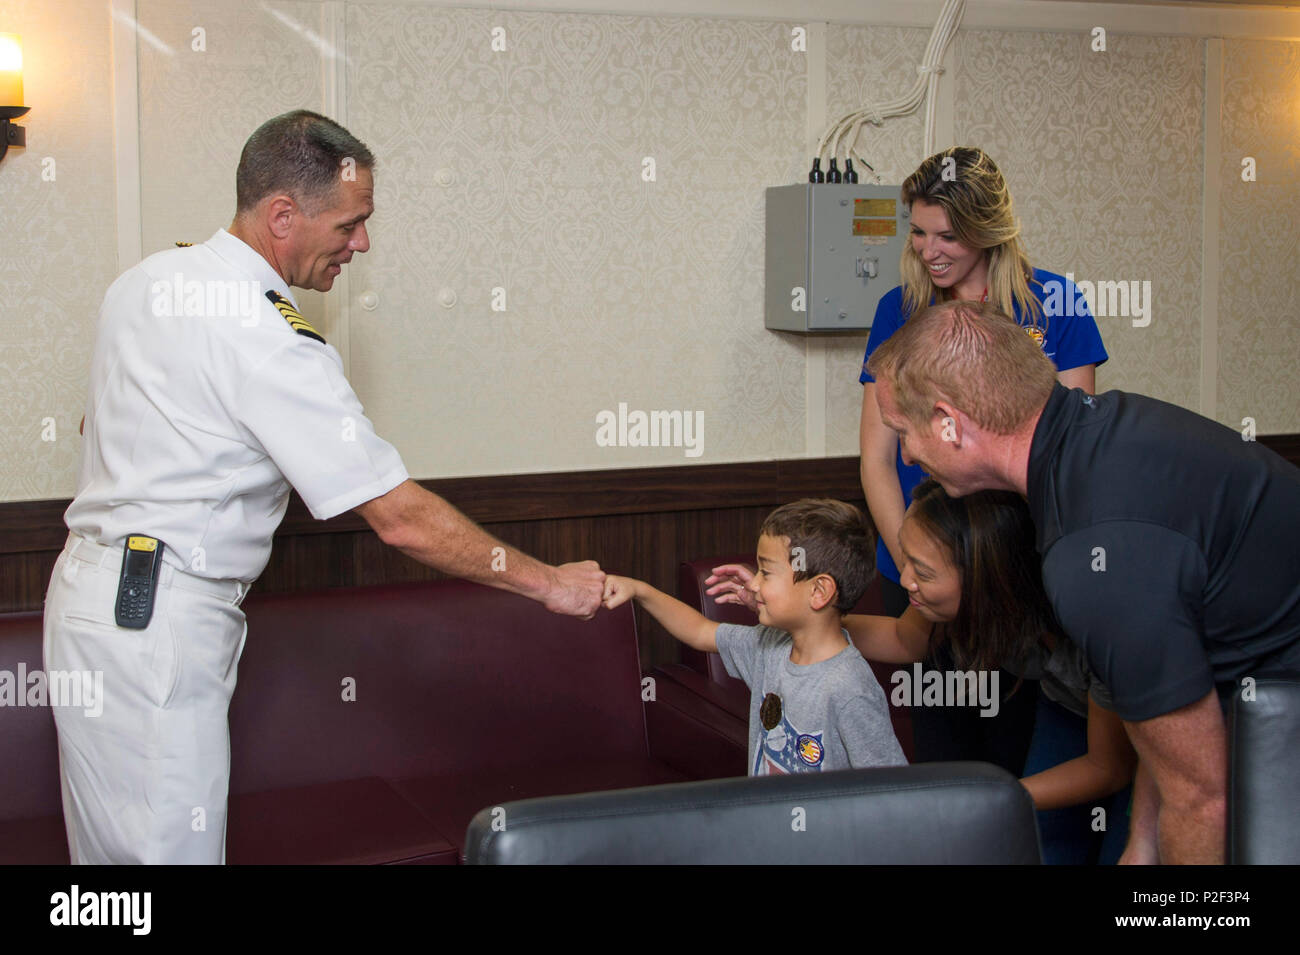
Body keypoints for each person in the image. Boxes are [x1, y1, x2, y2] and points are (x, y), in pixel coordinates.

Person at [44, 110, 605, 865]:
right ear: (282, 215)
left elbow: (96, 427)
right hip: (158, 619)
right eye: (351, 223)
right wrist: (551, 584)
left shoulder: (146, 284)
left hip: (87, 600)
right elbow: (399, 517)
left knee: (110, 870)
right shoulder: (267, 336)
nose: (362, 243)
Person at [867, 298, 1300, 864]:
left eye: (903, 431)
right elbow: (1168, 716)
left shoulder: (1094, 550)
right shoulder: (1098, 433)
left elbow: (1201, 798)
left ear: (949, 424)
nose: (904, 453)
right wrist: (1140, 853)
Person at [708, 480, 1137, 864]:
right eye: (905, 561)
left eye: (923, 571)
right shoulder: (943, 601)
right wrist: (793, 613)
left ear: (984, 577)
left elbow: (1108, 766)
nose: (906, 581)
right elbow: (905, 640)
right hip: (1066, 703)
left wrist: (987, 796)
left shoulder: (1092, 624)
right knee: (1043, 844)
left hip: (1149, 716)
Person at [858, 146, 1109, 770]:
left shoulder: (1055, 302)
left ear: (989, 231)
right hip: (922, 578)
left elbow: (1066, 455)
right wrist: (918, 567)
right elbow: (877, 461)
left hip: (1019, 574)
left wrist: (997, 570)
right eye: (918, 232)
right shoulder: (899, 310)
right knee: (943, 752)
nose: (928, 249)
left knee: (1022, 751)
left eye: (948, 235)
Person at [602, 499, 905, 776]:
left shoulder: (851, 688)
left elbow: (892, 790)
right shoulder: (769, 646)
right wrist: (641, 591)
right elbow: (700, 631)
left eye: (766, 572)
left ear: (818, 592)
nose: (754, 583)